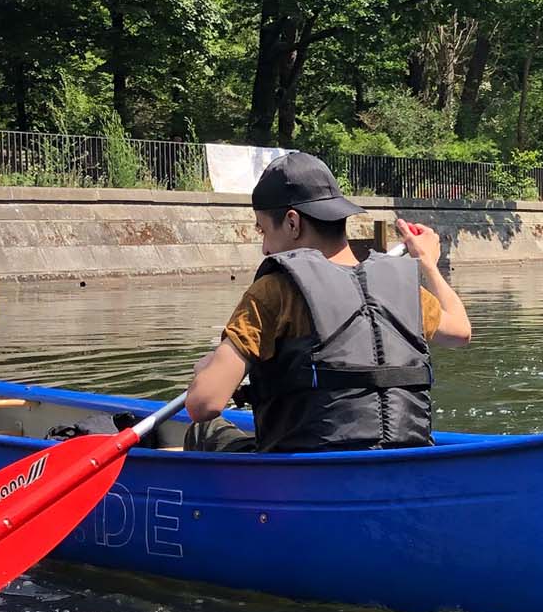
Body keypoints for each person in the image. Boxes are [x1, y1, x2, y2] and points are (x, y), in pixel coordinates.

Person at [182, 152, 471, 452]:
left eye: (263, 230)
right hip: (402, 461)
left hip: (305, 473)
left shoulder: (274, 291)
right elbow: (461, 331)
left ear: (292, 223)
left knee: (203, 429)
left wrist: (206, 371)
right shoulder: (403, 289)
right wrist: (428, 264)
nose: (266, 248)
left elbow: (204, 403)